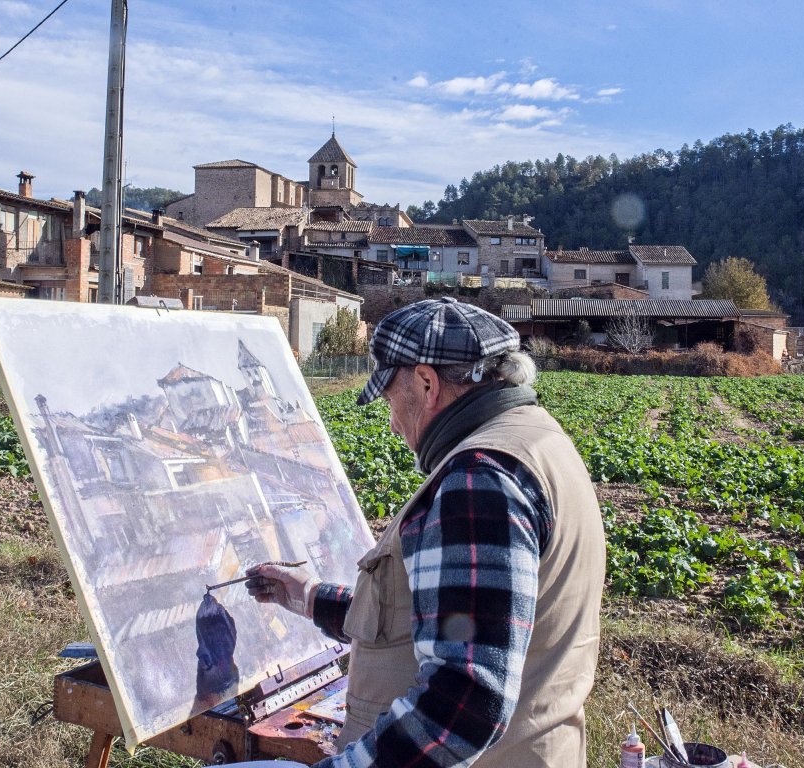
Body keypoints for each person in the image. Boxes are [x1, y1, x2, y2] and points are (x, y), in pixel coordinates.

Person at [247, 297, 604, 768]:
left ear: (427, 383)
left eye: (391, 398)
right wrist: (311, 597)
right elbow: (456, 610)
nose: (393, 423)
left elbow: (466, 702)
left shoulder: (480, 479)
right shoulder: (537, 437)